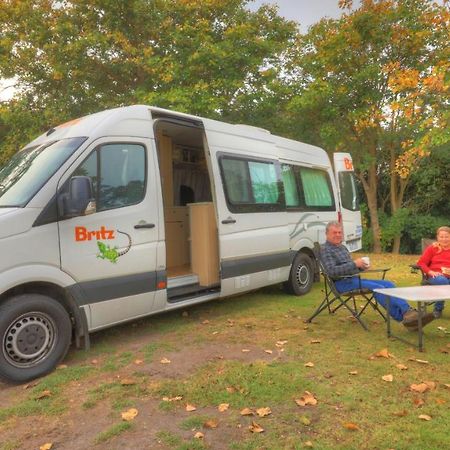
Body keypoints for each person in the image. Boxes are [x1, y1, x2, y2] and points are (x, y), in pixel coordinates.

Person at [320, 221, 435, 330]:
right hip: (341, 283)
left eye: (340, 232)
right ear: (327, 234)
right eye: (334, 232)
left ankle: (408, 315)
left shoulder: (342, 247)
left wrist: (361, 267)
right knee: (379, 289)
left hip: (353, 279)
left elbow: (349, 267)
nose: (338, 235)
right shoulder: (326, 250)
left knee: (388, 284)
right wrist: (355, 263)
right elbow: (332, 271)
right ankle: (407, 316)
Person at [416, 226, 450, 318]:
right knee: (443, 282)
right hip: (435, 276)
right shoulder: (432, 248)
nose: (444, 239)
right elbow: (421, 263)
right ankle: (438, 308)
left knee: (446, 282)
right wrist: (430, 272)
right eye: (441, 237)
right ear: (437, 237)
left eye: (447, 236)